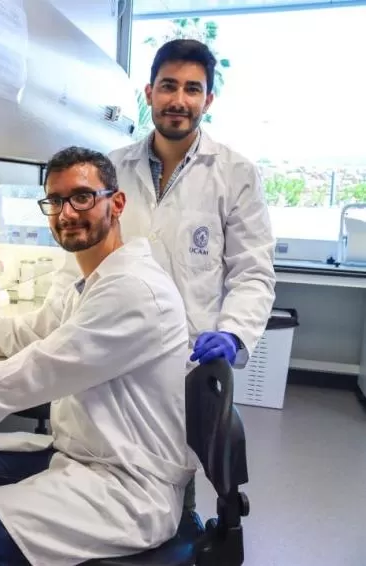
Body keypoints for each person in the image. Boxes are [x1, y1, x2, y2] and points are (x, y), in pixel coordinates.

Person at [0, 147, 196, 565]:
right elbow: (26, 335)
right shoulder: (94, 281)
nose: (67, 213)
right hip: (86, 454)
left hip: (126, 484)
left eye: (82, 197)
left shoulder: (133, 290)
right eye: (56, 200)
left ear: (117, 203)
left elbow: (32, 375)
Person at [46, 38, 276, 521]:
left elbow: (252, 272)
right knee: (99, 473)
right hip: (110, 349)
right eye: (169, 86)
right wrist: (55, 325)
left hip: (184, 361)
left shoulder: (235, 173)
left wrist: (234, 333)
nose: (179, 99)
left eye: (193, 89)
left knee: (172, 482)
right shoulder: (112, 167)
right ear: (150, 93)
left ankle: (176, 534)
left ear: (208, 100)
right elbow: (78, 259)